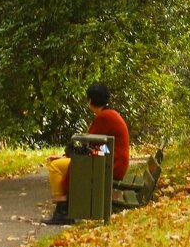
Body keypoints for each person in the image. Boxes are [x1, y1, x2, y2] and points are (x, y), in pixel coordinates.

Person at [43, 82, 131, 225]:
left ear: (91, 100)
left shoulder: (105, 117)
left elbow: (87, 143)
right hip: (111, 161)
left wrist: (67, 156)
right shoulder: (110, 114)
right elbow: (93, 145)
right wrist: (65, 156)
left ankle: (63, 211)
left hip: (111, 165)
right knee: (60, 164)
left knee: (55, 167)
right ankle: (64, 210)